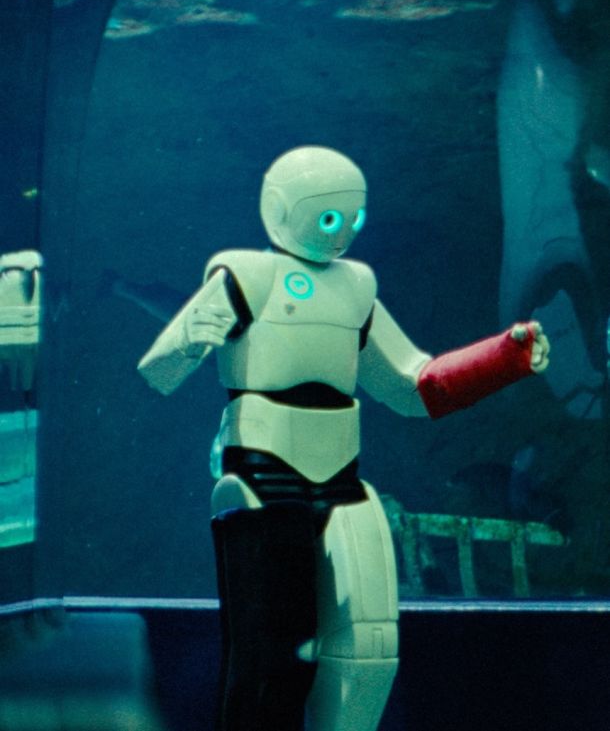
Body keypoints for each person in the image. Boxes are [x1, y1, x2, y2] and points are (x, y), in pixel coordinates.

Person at [138, 146, 550, 731]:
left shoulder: (355, 289)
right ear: (283, 208)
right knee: (271, 656)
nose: (342, 234)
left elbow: (417, 386)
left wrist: (503, 358)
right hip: (261, 479)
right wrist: (186, 342)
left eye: (354, 219)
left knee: (369, 648)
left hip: (342, 481)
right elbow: (159, 369)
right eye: (329, 218)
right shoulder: (246, 276)